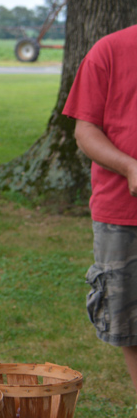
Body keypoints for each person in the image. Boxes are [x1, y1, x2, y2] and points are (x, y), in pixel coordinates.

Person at [63, 24, 137, 396]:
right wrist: (129, 166)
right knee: (128, 320)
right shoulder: (109, 50)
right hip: (121, 213)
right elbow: (85, 130)